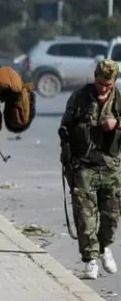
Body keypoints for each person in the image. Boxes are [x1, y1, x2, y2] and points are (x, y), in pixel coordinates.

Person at [59, 59, 121, 279]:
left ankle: (104, 247)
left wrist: (117, 124)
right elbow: (64, 128)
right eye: (100, 82)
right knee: (85, 217)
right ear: (95, 77)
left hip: (111, 167)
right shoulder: (79, 98)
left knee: (111, 217)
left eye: (108, 84)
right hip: (84, 166)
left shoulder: (119, 99)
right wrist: (69, 161)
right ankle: (90, 260)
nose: (103, 88)